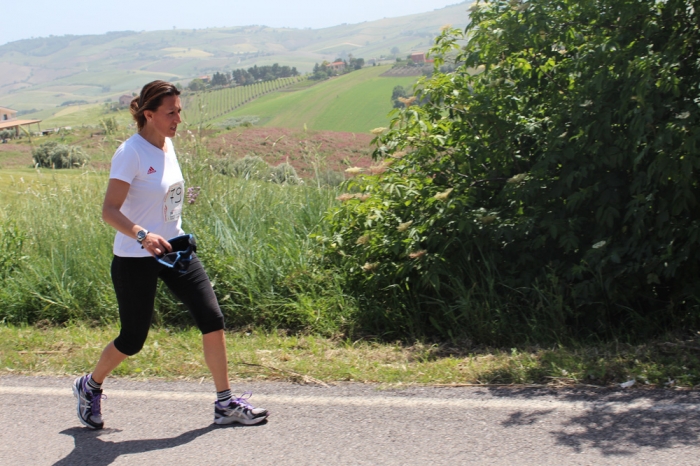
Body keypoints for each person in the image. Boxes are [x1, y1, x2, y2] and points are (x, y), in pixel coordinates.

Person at [72, 80, 268, 429]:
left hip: (175, 248)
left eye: (180, 111)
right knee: (133, 339)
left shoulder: (167, 146)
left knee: (212, 318)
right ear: (149, 114)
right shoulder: (130, 152)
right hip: (136, 256)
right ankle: (89, 385)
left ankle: (225, 404)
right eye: (171, 113)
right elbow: (109, 211)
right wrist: (143, 235)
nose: (178, 118)